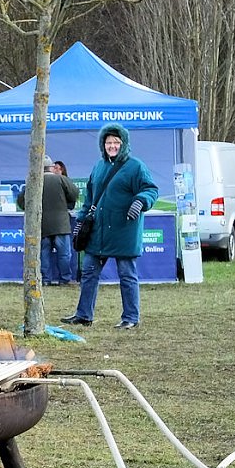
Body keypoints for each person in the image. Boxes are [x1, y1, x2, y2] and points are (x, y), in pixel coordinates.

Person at [61, 123, 158, 329]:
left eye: (116, 142)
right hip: (98, 231)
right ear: (102, 144)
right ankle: (84, 314)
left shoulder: (135, 166)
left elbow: (150, 189)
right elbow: (90, 197)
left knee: (126, 274)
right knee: (88, 272)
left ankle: (131, 317)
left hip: (124, 230)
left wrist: (140, 201)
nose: (112, 146)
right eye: (108, 142)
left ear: (123, 144)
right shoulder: (98, 166)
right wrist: (80, 220)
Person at [17, 155, 80, 286]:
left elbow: (21, 201)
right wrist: (67, 203)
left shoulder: (33, 181)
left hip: (41, 225)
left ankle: (45, 280)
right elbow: (75, 194)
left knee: (44, 254)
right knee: (64, 255)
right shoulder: (61, 179)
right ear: (51, 167)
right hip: (61, 225)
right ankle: (65, 279)